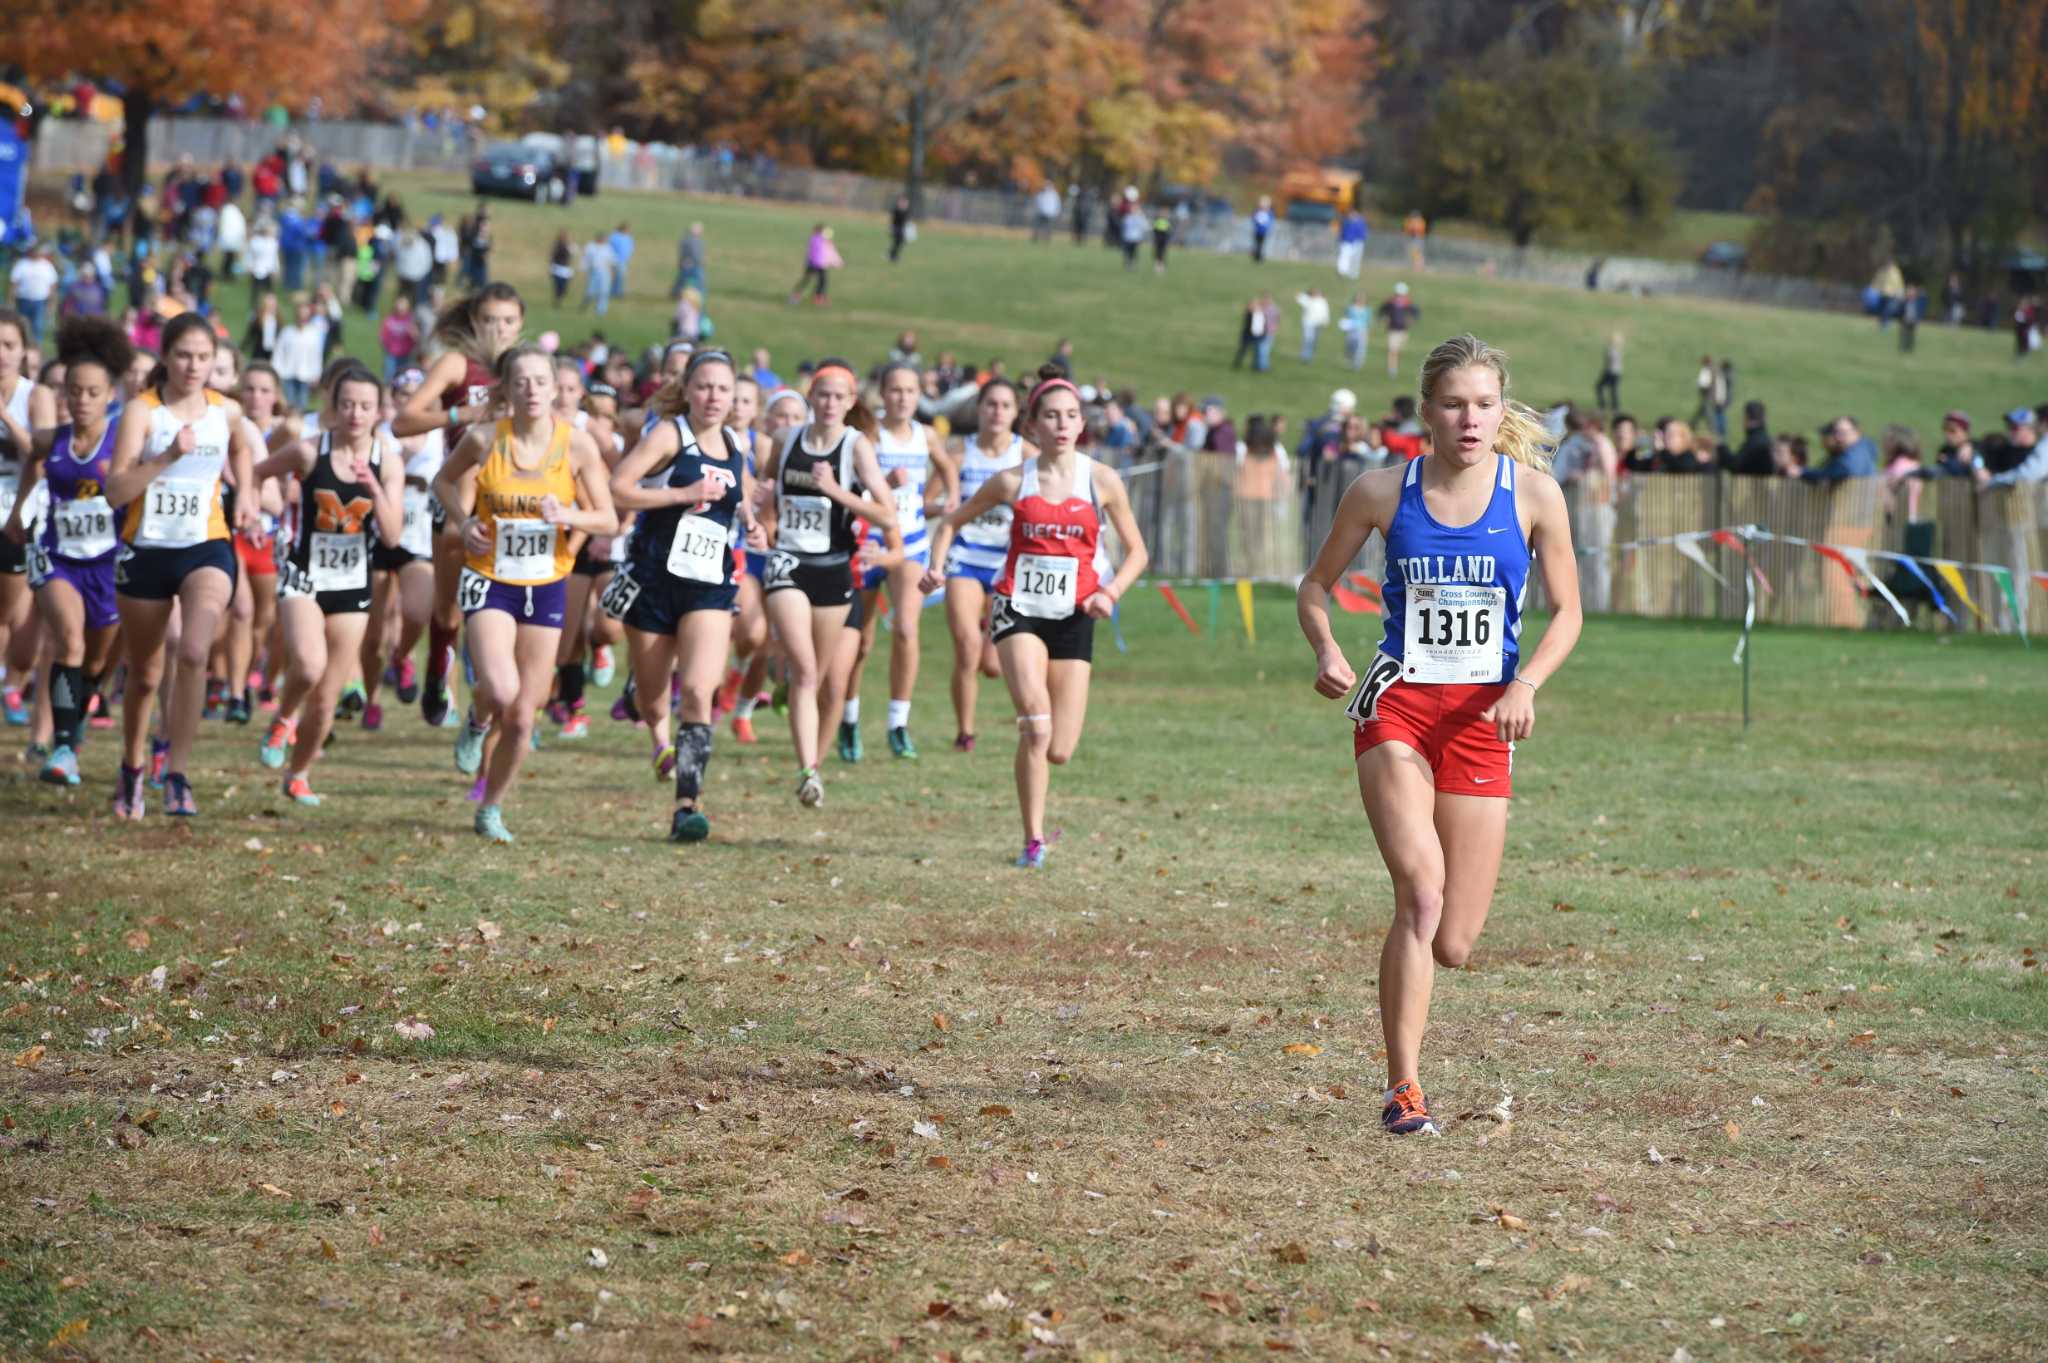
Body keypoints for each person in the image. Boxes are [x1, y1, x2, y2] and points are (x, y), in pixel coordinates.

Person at [1295, 332, 1581, 1136]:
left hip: (1485, 720)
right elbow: (1315, 584)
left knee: (1454, 940)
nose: (1469, 418)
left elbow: (1570, 611)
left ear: (1500, 410)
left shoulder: (1533, 496)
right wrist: (1327, 646)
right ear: (1426, 412)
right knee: (1419, 892)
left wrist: (1526, 682)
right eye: (1453, 403)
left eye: (1484, 403)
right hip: (1398, 708)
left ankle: (1410, 1060)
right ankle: (1403, 1088)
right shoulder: (1383, 491)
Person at [931, 367, 1149, 867]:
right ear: (1033, 424)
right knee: (1036, 726)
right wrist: (936, 568)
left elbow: (1138, 552)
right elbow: (951, 521)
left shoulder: (1102, 480)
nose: (1062, 424)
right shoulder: (1012, 480)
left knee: (1060, 749)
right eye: (1051, 416)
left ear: (1081, 423)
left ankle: (1039, 813)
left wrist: (1110, 592)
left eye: (1071, 415)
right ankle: (1032, 839)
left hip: (1075, 613)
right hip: (1018, 608)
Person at [432, 343, 617, 842]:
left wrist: (570, 516)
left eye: (541, 381)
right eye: (522, 382)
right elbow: (442, 482)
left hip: (546, 583)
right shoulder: (485, 438)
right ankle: (475, 718)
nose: (532, 390)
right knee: (501, 689)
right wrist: (466, 520)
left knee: (522, 718)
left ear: (555, 389)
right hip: (491, 577)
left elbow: (608, 517)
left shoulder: (576, 445)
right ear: (507, 389)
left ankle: (491, 807)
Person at [103, 313, 261, 818]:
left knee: (194, 650)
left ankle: (178, 772)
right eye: (184, 355)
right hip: (147, 548)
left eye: (203, 357)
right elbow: (115, 492)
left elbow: (241, 450)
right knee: (146, 675)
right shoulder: (142, 412)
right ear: (167, 357)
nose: (194, 366)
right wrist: (169, 455)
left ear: (216, 361)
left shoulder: (227, 411)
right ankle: (132, 767)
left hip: (206, 544)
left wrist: (248, 495)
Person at [605, 349, 762, 841]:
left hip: (710, 584)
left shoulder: (737, 442)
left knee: (697, 690)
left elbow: (742, 499)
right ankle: (642, 696)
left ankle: (686, 805)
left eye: (723, 389)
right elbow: (619, 488)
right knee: (655, 702)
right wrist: (680, 493)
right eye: (705, 387)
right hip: (654, 580)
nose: (714, 397)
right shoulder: (670, 434)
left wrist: (753, 525)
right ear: (688, 390)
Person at [253, 365, 404, 804]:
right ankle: (282, 718)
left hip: (353, 582)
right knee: (307, 665)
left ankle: (298, 774)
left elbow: (392, 536)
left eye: (365, 405)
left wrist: (375, 489)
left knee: (326, 699)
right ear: (334, 408)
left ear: (379, 411)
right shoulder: (307, 452)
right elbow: (258, 471)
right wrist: (263, 503)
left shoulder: (386, 461)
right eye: (347, 404)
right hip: (303, 572)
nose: (356, 413)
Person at [757, 360, 897, 806]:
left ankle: (810, 756)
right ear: (811, 398)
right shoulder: (786, 439)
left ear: (850, 402)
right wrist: (763, 519)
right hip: (787, 561)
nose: (830, 403)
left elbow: (887, 513)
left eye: (839, 397)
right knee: (807, 669)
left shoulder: (857, 448)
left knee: (818, 675)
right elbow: (768, 489)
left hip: (834, 566)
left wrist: (838, 492)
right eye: (822, 395)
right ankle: (807, 770)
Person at [389, 283, 524, 729]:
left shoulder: (526, 368)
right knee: (448, 609)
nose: (499, 330)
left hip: (516, 502)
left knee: (510, 609)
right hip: (456, 495)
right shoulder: (456, 364)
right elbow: (403, 420)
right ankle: (435, 675)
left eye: (508, 321)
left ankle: (505, 704)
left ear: (520, 324)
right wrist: (460, 416)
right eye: (490, 320)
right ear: (473, 323)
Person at [8, 319, 131, 786]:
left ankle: (74, 725)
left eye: (91, 393)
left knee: (96, 662)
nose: (80, 401)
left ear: (109, 395)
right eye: (73, 392)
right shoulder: (50, 440)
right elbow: (31, 467)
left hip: (107, 562)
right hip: (58, 558)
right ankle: (61, 749)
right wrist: (21, 509)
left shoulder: (122, 441)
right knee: (70, 642)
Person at [841, 363, 956, 762]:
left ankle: (898, 723)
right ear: (883, 395)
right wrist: (884, 486)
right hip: (869, 542)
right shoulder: (869, 436)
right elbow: (852, 487)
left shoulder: (925, 435)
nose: (904, 398)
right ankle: (849, 718)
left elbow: (947, 466)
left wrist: (947, 500)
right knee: (860, 640)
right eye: (896, 391)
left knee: (906, 629)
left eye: (910, 391)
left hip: (910, 542)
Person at [356, 366, 442, 732]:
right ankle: (372, 699)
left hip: (420, 536)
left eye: (418, 395)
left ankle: (402, 655)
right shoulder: (382, 436)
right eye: (403, 396)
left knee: (419, 611)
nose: (410, 402)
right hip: (379, 533)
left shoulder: (441, 436)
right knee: (373, 630)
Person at [1802, 416, 1879, 482]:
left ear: (1856, 433)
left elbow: (1845, 469)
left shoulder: (1859, 451)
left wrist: (1804, 473)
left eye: (1843, 433)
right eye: (1836, 432)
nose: (1838, 437)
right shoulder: (1849, 452)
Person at [8, 244, 59, 342]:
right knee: (23, 324)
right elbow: (14, 283)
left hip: (40, 301)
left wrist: (51, 302)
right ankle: (23, 344)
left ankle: (36, 348)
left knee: (38, 326)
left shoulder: (47, 266)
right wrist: (11, 300)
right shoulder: (22, 264)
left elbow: (53, 285)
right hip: (23, 300)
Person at [789, 225, 840, 306]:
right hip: (817, 264)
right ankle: (802, 296)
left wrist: (837, 261)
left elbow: (829, 252)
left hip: (816, 264)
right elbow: (827, 252)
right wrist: (836, 261)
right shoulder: (817, 240)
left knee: (818, 281)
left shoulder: (819, 240)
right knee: (816, 281)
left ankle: (816, 298)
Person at [1378, 284, 1419, 378]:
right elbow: (1382, 311)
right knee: (1392, 350)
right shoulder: (1390, 302)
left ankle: (1394, 367)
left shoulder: (1407, 303)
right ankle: (1392, 369)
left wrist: (1412, 320)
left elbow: (1416, 313)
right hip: (1392, 330)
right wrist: (1383, 319)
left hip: (1403, 330)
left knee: (1397, 351)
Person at [580, 233, 614, 316]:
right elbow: (585, 259)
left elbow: (611, 261)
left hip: (604, 271)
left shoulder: (607, 248)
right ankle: (584, 305)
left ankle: (601, 311)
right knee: (590, 291)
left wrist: (612, 273)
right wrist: (583, 269)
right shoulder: (591, 247)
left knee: (604, 291)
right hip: (594, 271)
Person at [1338, 293, 1371, 371]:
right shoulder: (1351, 308)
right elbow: (1346, 318)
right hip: (1351, 329)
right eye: (1359, 298)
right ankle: (1350, 360)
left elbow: (1368, 321)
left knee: (1360, 348)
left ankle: (1357, 365)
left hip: (1362, 330)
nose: (1360, 300)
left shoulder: (1367, 310)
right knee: (1350, 346)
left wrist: (1368, 331)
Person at [673, 222, 707, 298]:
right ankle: (700, 295)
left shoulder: (687, 239)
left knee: (682, 280)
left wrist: (681, 262)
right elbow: (694, 253)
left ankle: (675, 293)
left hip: (687, 264)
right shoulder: (693, 241)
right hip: (692, 264)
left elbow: (682, 252)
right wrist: (700, 261)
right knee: (699, 280)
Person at [1296, 288, 1330, 362]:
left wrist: (1326, 321)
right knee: (1308, 339)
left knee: (1314, 341)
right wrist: (1306, 293)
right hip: (1308, 323)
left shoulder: (1322, 301)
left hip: (1318, 323)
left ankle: (1309, 356)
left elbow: (1325, 312)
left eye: (1318, 292)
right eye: (1314, 293)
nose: (1317, 294)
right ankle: (1304, 356)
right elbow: (1299, 297)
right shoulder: (1308, 300)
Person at [1336, 208, 1369, 279]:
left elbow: (1363, 233)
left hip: (1357, 243)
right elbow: (1343, 232)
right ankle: (1342, 271)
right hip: (1347, 242)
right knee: (1344, 257)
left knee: (1355, 259)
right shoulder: (1347, 221)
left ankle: (1353, 273)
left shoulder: (1360, 222)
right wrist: (1341, 239)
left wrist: (1361, 240)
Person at [1594, 333, 1622, 411]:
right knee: (1613, 390)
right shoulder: (1614, 349)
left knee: (1600, 387)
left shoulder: (1612, 350)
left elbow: (1610, 362)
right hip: (1616, 372)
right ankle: (1615, 408)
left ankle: (1603, 406)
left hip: (1610, 372)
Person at [607, 221, 635, 299]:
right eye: (627, 229)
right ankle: (615, 292)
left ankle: (617, 292)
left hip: (623, 260)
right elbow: (610, 248)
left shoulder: (628, 238)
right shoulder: (614, 237)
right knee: (616, 277)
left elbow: (630, 247)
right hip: (615, 260)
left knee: (621, 277)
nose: (628, 231)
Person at [549, 231, 574, 306]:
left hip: (566, 269)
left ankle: (560, 298)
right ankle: (557, 301)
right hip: (558, 268)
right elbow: (553, 257)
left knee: (564, 288)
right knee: (558, 286)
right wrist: (551, 268)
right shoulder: (557, 246)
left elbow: (574, 252)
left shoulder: (569, 246)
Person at [888, 196, 913, 263]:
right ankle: (892, 256)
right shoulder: (897, 210)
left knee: (900, 242)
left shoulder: (906, 210)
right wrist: (891, 228)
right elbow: (893, 220)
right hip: (896, 228)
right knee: (897, 242)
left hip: (902, 228)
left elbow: (907, 219)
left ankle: (892, 255)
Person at [1251, 196, 1275, 263]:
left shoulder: (1269, 212)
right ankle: (1257, 257)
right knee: (1257, 244)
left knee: (1261, 245)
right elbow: (1254, 218)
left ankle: (1260, 257)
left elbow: (1270, 221)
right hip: (1257, 230)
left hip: (1264, 231)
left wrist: (1268, 227)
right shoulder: (1258, 211)